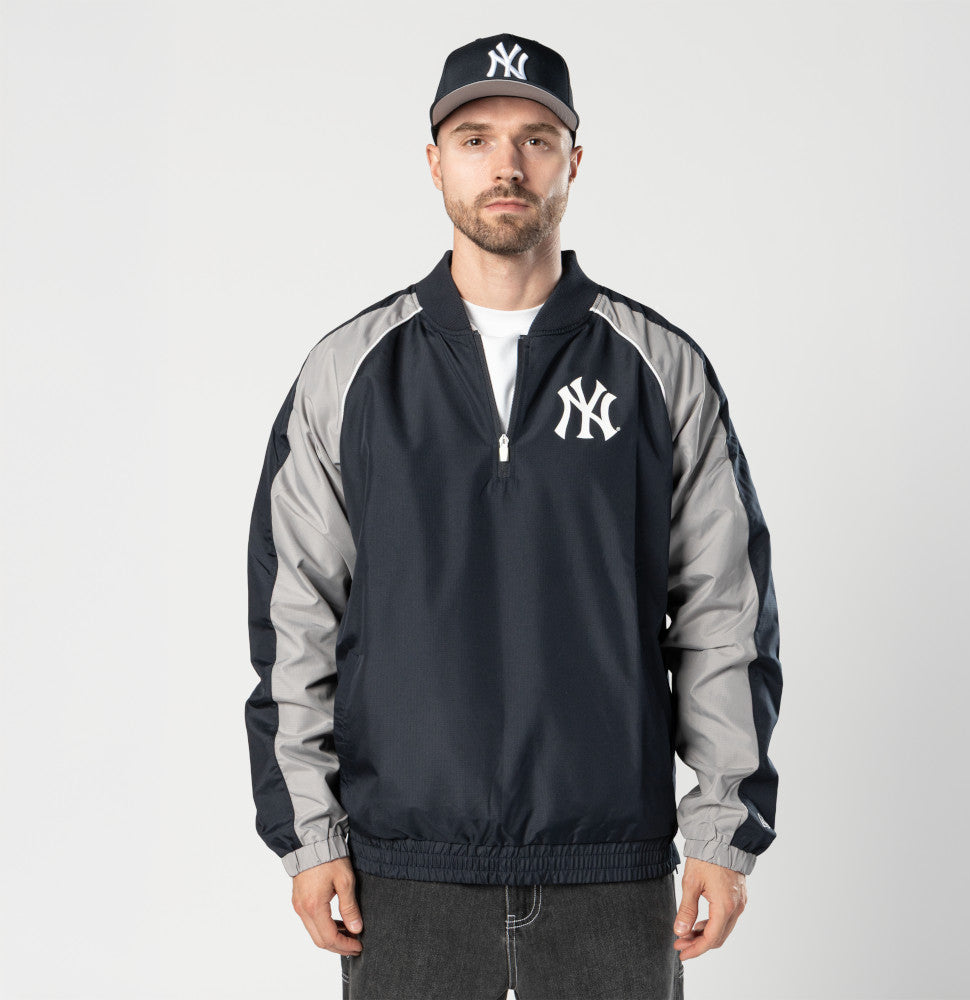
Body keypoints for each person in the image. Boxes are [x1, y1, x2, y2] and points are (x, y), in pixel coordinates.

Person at [245, 31, 783, 1000]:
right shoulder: (349, 371)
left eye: (536, 139)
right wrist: (309, 836)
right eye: (476, 138)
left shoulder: (657, 367)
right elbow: (296, 617)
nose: (507, 164)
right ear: (434, 162)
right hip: (402, 868)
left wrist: (722, 826)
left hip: (610, 866)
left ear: (573, 162)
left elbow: (723, 613)